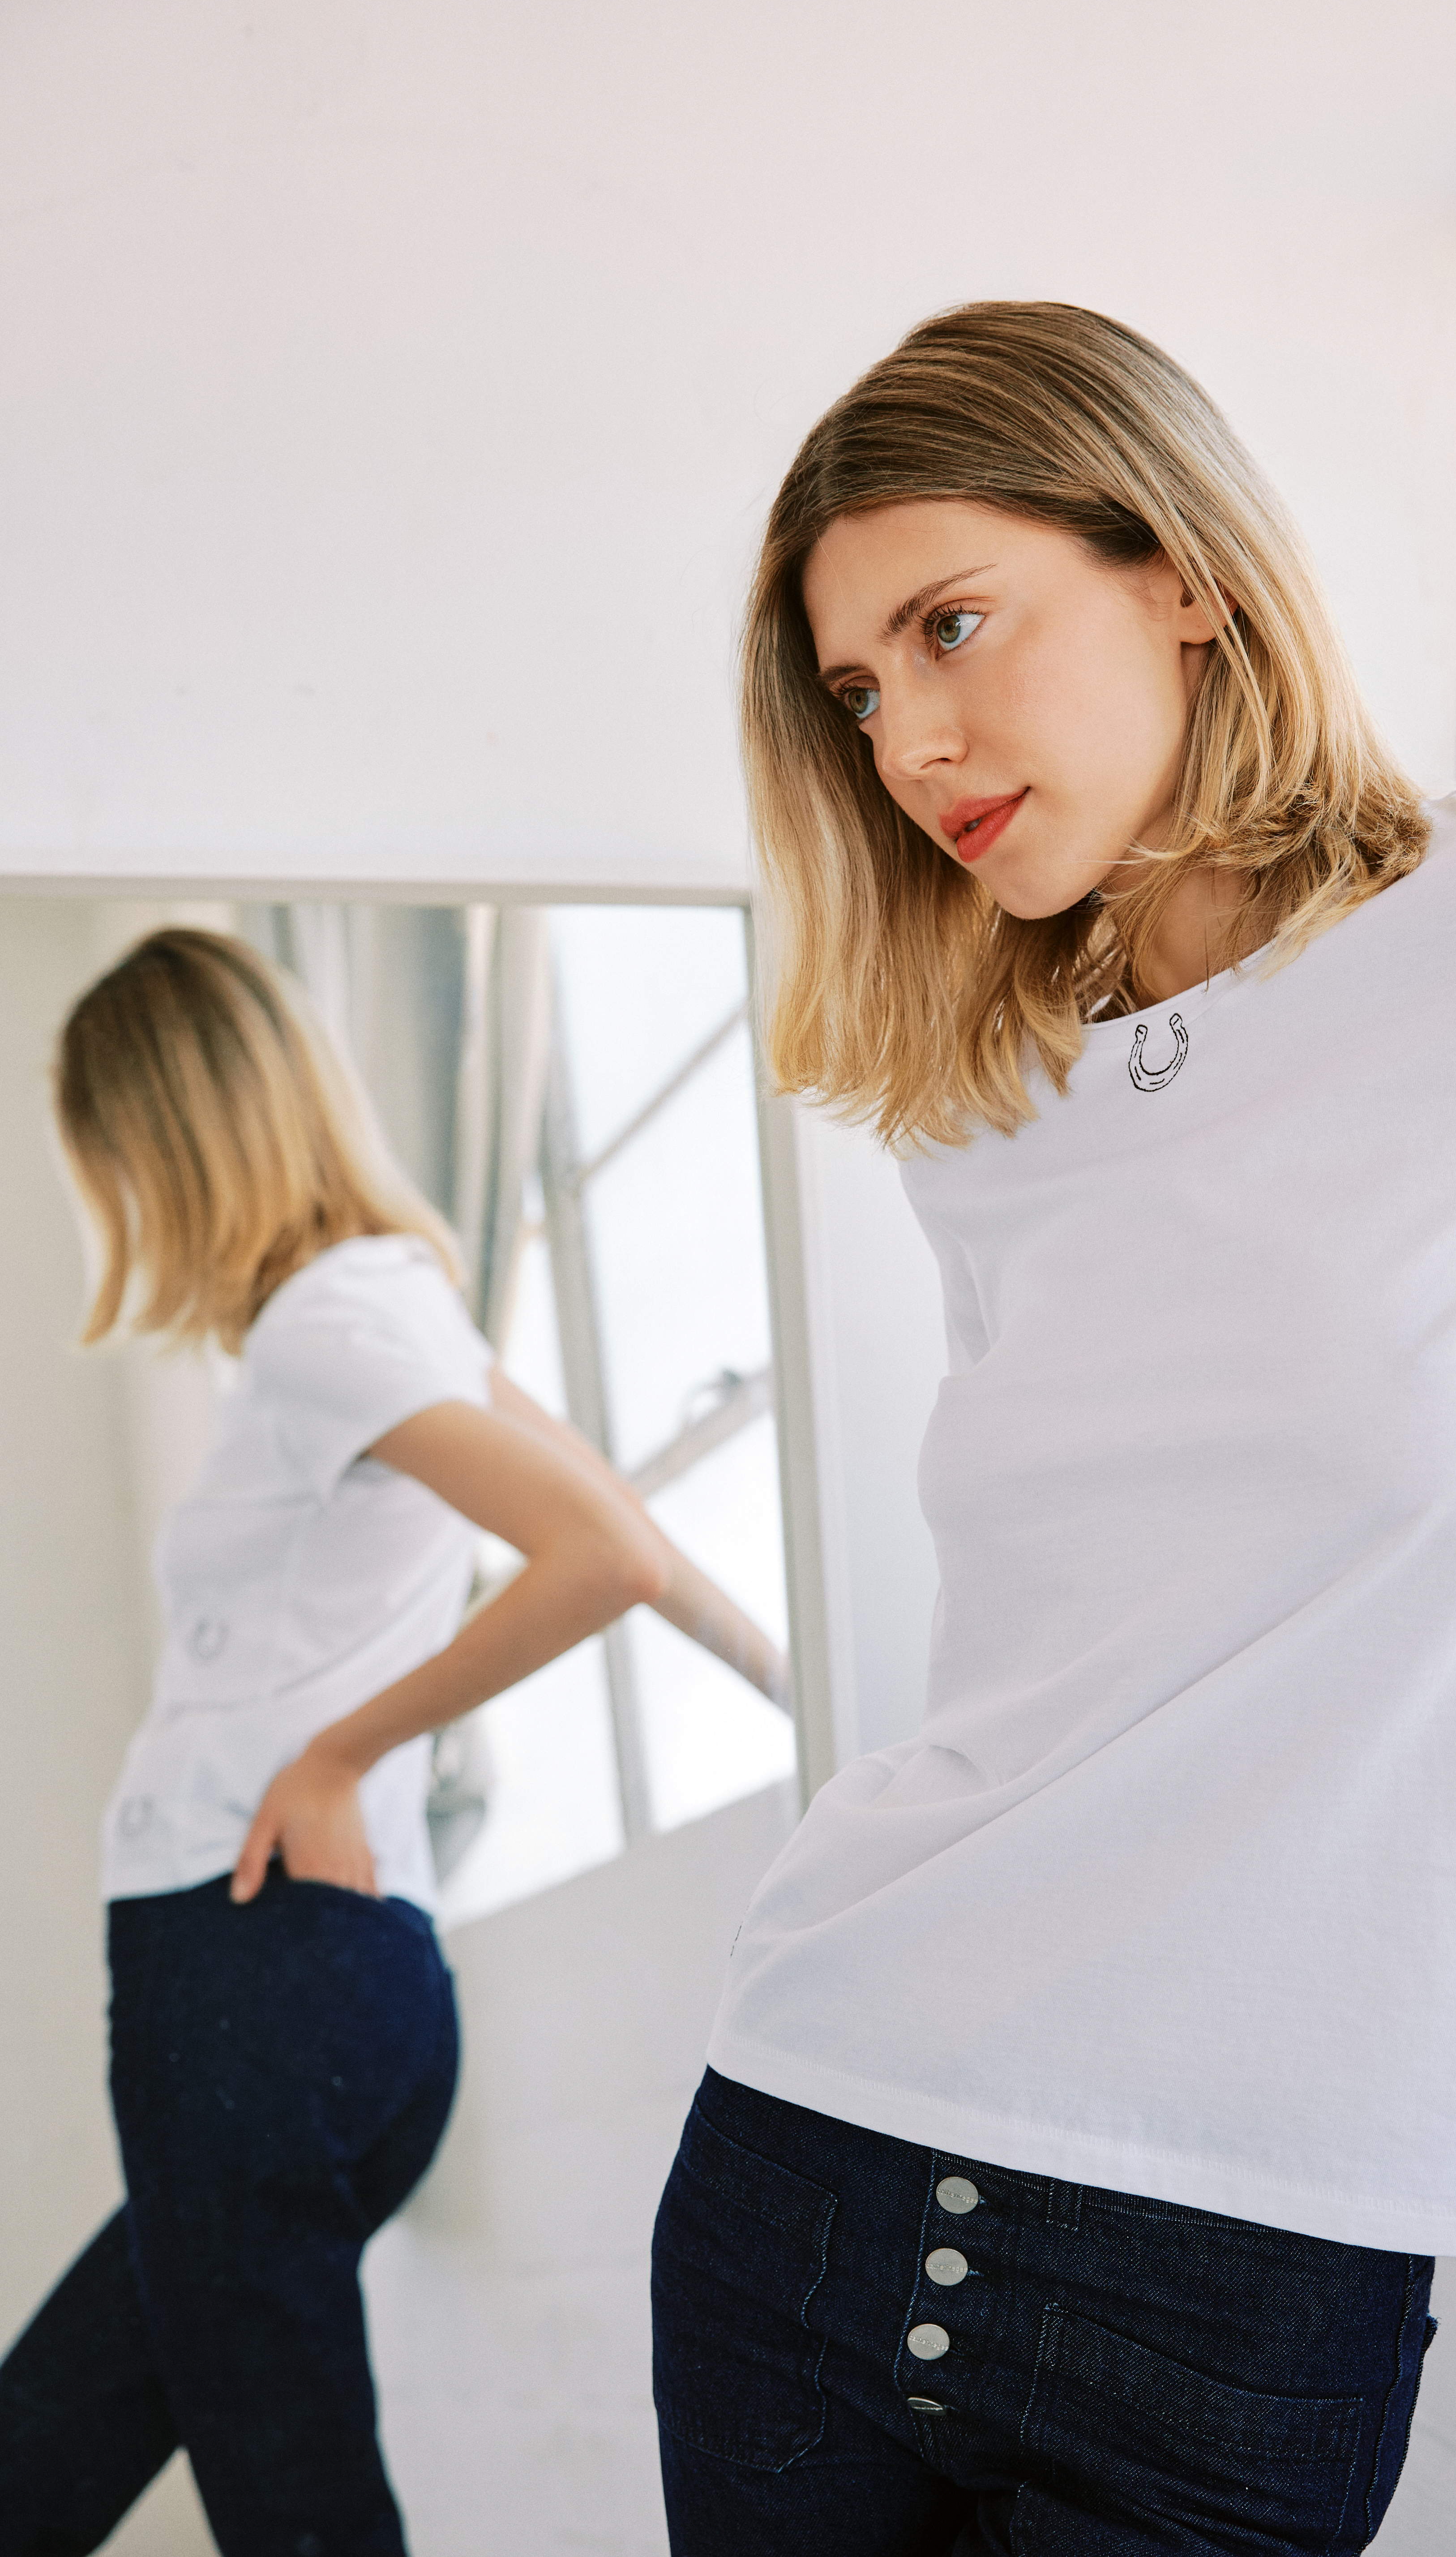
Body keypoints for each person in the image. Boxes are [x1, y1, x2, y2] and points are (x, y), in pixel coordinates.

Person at [647, 301, 1456, 2555]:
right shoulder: (990, 1109)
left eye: (952, 624)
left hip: (1246, 2247)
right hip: (819, 2140)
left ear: (1179, 565)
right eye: (857, 693)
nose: (910, 737)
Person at [0, 926, 785, 2557]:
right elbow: (621, 1518)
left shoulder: (326, 1324)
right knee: (43, 2454)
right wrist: (802, 1685)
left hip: (248, 1980)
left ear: (163, 1138)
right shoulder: (397, 1303)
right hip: (338, 1992)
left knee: (290, 2507)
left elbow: (602, 1552)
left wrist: (336, 1754)